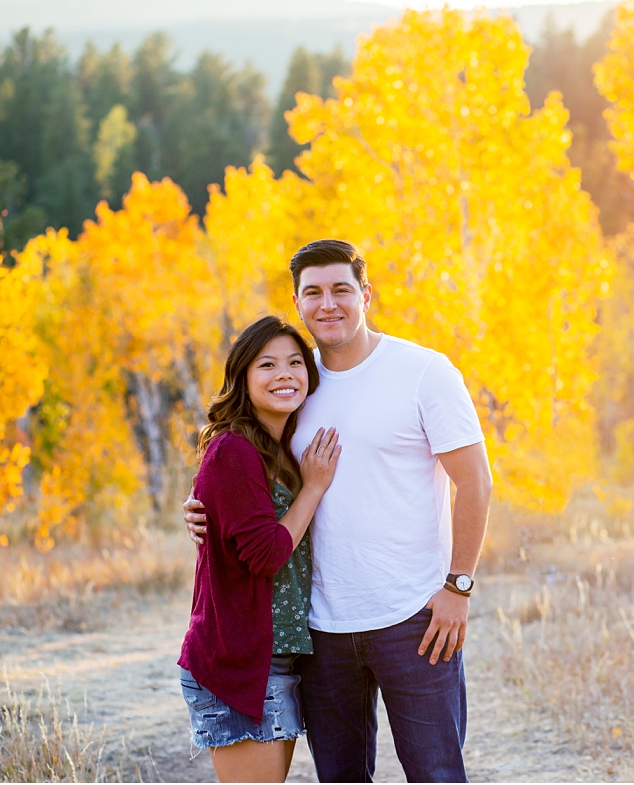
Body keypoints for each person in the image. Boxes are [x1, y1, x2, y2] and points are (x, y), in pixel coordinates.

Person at [184, 239, 492, 782]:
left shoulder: (423, 371)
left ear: (366, 294)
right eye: (313, 293)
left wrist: (458, 588)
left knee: (437, 773)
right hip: (321, 628)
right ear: (298, 304)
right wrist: (201, 509)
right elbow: (245, 472)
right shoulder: (297, 388)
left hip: (414, 618)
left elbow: (475, 482)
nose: (328, 303)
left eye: (341, 290)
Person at [178, 315, 342, 783]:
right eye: (267, 364)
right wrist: (313, 487)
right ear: (242, 378)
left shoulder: (279, 448)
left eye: (295, 362)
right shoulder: (234, 449)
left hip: (276, 657)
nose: (285, 374)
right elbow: (266, 555)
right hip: (241, 663)